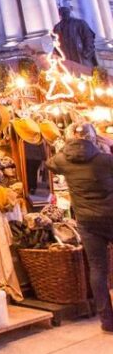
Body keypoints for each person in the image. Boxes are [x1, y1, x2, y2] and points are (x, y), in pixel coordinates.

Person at [48, 123, 113, 332]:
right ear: (93, 138)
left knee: (98, 269)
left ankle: (107, 321)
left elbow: (50, 163)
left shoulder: (62, 160)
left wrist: (66, 147)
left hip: (86, 220)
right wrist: (106, 144)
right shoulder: (105, 160)